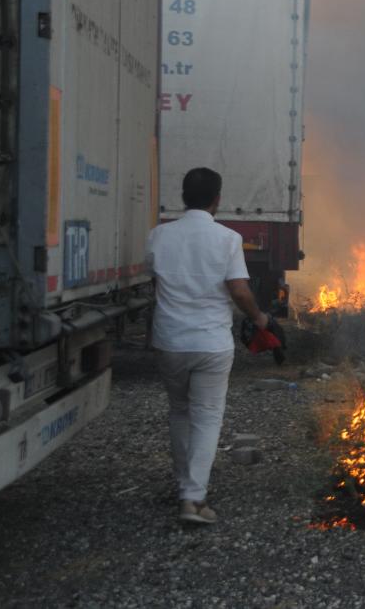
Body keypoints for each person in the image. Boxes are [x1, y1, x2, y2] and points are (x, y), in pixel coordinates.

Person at [146, 167, 272, 524]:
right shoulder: (228, 239)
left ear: (183, 196)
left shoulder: (158, 236)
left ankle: (185, 484)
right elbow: (239, 290)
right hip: (211, 344)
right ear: (217, 199)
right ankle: (193, 498)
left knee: (180, 412)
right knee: (207, 417)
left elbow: (154, 278)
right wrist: (259, 318)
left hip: (169, 340)